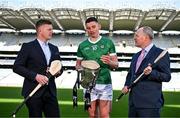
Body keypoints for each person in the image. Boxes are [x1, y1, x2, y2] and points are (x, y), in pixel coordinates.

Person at [13, 19, 62, 117]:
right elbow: (17, 67)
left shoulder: (54, 48)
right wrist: (36, 76)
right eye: (49, 29)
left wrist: (57, 72)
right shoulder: (28, 47)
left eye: (51, 29)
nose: (52, 32)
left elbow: (60, 67)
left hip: (50, 92)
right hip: (33, 91)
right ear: (40, 31)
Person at [122, 26, 171, 117]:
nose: (134, 38)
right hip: (133, 104)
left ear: (146, 37)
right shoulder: (135, 56)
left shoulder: (160, 53)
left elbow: (167, 76)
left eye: (137, 35)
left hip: (150, 104)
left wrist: (152, 73)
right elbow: (131, 74)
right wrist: (126, 85)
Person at [76, 17, 118, 118]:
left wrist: (109, 62)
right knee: (92, 114)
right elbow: (77, 65)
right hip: (88, 84)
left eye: (93, 27)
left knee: (104, 114)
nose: (91, 30)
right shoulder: (82, 45)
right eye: (88, 28)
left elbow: (116, 65)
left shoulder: (108, 43)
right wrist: (82, 68)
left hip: (105, 82)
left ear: (99, 26)